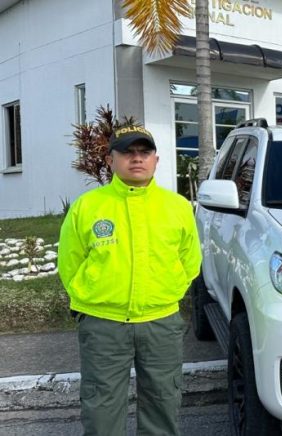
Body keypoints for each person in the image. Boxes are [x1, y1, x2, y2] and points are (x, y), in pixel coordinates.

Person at [58, 125, 202, 435]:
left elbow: (190, 260)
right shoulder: (88, 206)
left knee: (163, 406)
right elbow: (69, 262)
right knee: (101, 411)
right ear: (110, 160)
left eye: (144, 152)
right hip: (103, 325)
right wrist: (88, 300)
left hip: (161, 323)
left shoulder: (177, 207)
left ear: (155, 160)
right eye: (127, 152)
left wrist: (168, 294)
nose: (137, 159)